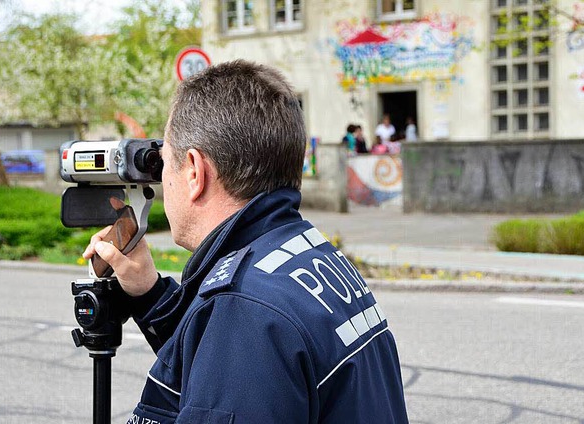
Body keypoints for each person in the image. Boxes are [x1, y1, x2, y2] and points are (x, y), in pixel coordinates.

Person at [83, 60, 408, 423]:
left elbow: (243, 356)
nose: (162, 181)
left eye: (164, 163)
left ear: (194, 171)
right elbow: (229, 371)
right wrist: (149, 294)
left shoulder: (246, 310)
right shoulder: (305, 252)